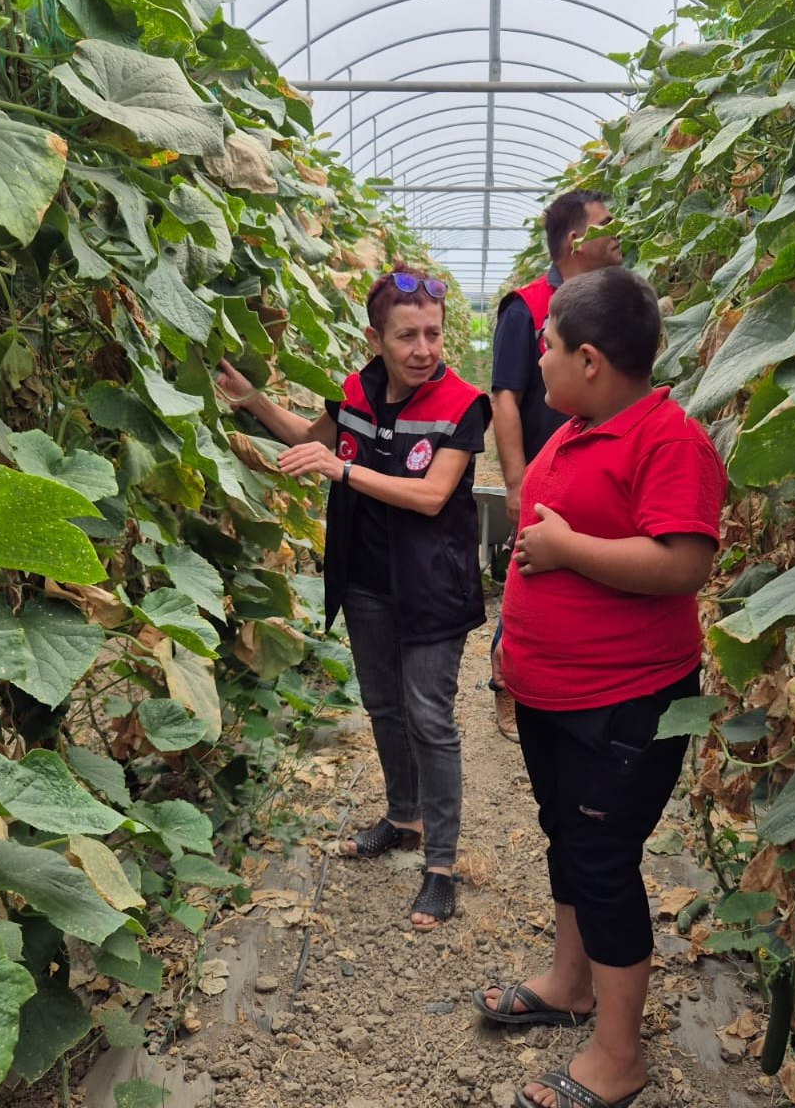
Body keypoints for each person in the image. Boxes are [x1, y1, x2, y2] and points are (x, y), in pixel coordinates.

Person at [473, 267, 727, 1108]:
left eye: (545, 348)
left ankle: (619, 1058)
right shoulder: (580, 426)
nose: (533, 361)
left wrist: (571, 551)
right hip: (559, 697)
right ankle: (571, 982)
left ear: (588, 358)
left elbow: (685, 562)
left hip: (623, 704)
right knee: (567, 838)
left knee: (605, 861)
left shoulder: (667, 441)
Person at [216, 264, 490, 931]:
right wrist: (253, 399)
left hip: (432, 586)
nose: (423, 349)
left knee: (431, 716)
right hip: (367, 580)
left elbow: (431, 496)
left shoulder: (461, 405)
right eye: (406, 336)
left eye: (432, 333)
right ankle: (403, 818)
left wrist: (344, 469)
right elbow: (311, 441)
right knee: (383, 705)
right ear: (375, 338)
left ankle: (442, 868)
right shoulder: (356, 394)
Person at [488, 190, 622, 742]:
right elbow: (504, 398)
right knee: (528, 577)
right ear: (576, 240)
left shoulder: (614, 302)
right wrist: (518, 481)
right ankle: (505, 686)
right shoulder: (527, 306)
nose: (621, 233)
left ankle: (569, 689)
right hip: (546, 475)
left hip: (597, 469)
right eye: (607, 225)